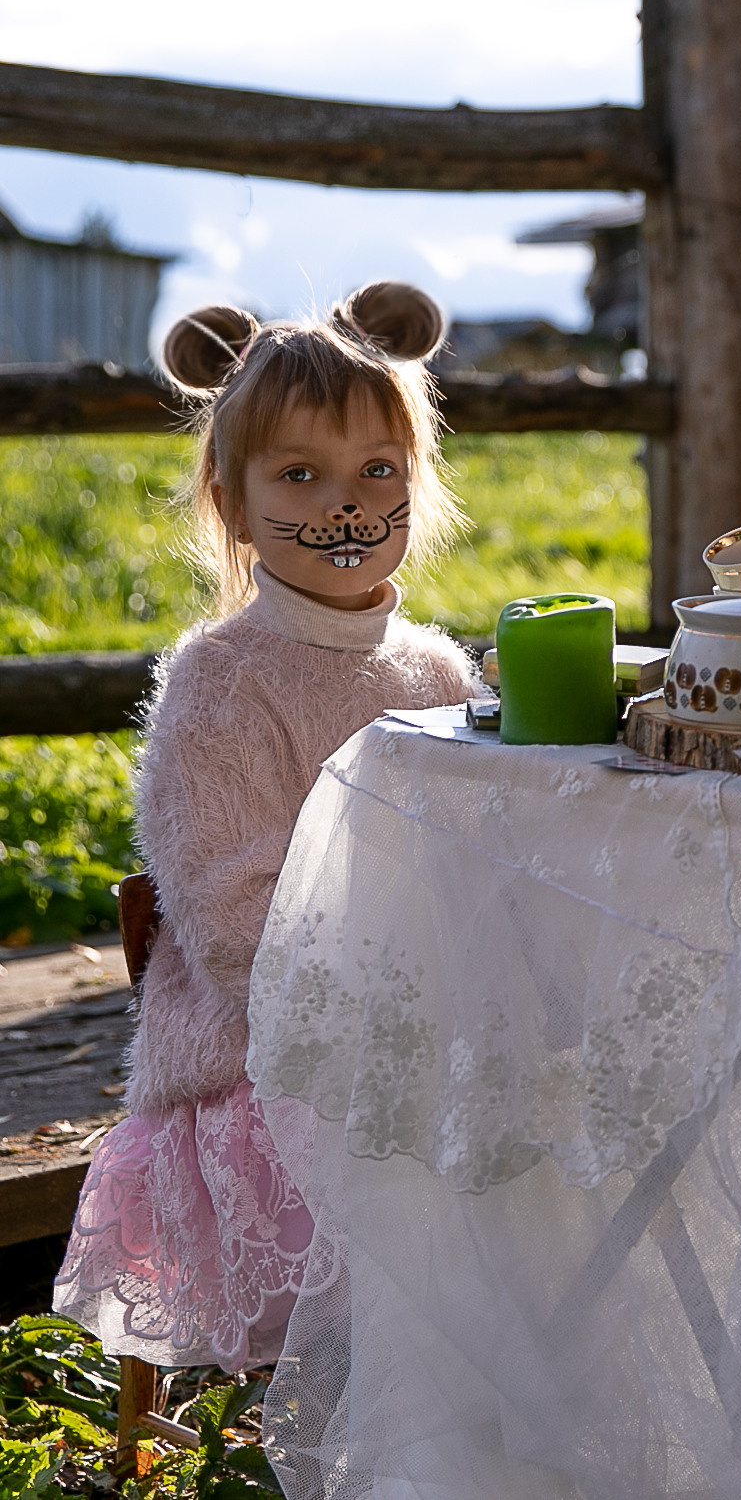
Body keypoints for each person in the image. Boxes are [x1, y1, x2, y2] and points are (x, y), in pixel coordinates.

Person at [53, 283, 476, 1372]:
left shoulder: (434, 671)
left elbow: (485, 854)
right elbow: (237, 921)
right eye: (300, 475)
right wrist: (409, 992)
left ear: (417, 486)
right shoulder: (223, 685)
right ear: (234, 503)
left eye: (376, 471)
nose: (344, 505)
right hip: (266, 1062)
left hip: (422, 1021)